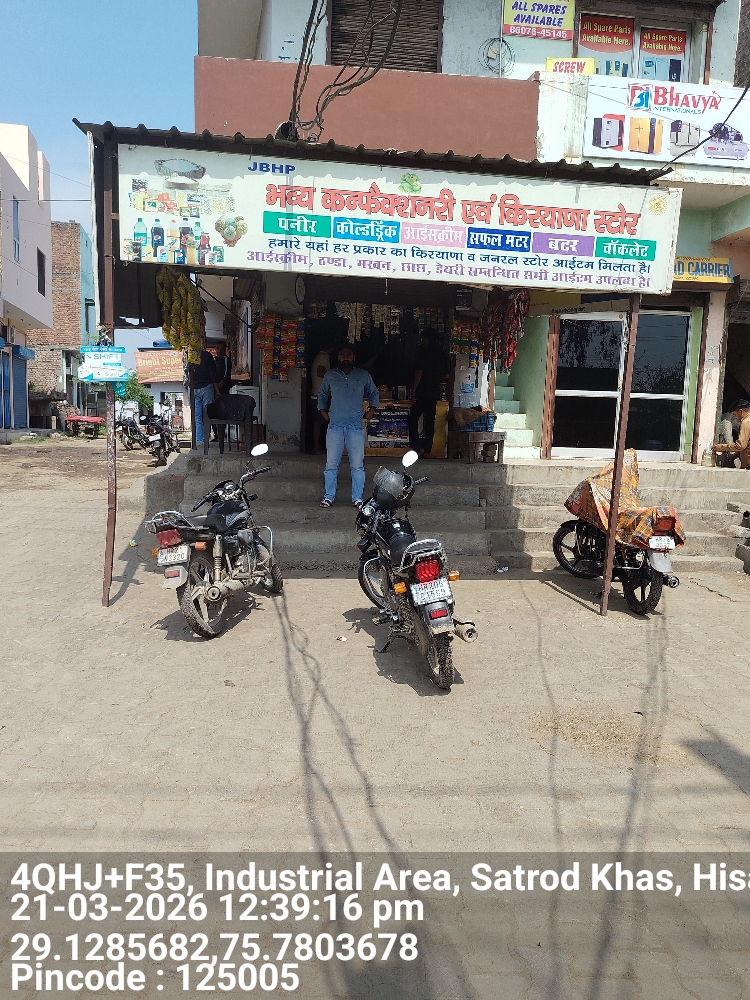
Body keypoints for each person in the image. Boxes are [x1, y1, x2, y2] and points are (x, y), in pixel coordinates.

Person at [317, 346, 379, 508]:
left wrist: (372, 410)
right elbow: (322, 393)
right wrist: (323, 411)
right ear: (338, 357)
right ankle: (328, 497)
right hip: (335, 426)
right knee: (331, 465)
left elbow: (374, 392)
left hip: (355, 426)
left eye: (349, 355)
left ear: (353, 357)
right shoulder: (330, 375)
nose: (346, 358)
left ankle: (357, 498)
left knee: (357, 466)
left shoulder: (363, 375)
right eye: (342, 355)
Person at [409, 328, 447, 457]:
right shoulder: (441, 354)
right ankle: (427, 450)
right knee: (430, 420)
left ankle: (415, 448)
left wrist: (414, 392)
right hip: (434, 391)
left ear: (426, 339)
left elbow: (418, 372)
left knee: (413, 419)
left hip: (422, 391)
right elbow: (445, 376)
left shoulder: (423, 352)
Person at [190, 346, 220, 447]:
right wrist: (217, 390)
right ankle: (205, 438)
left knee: (197, 417)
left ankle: (199, 440)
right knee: (207, 415)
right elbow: (213, 375)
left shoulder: (189, 356)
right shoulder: (207, 356)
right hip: (207, 388)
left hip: (193, 388)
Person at [714, 399, 750, 468]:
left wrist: (722, 447)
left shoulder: (746, 422)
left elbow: (741, 446)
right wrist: (735, 455)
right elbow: (747, 444)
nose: (735, 417)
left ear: (741, 411)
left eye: (734, 414)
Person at [310, 344, 332, 455]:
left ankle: (318, 447)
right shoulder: (323, 357)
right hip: (319, 395)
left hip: (318, 394)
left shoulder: (320, 357)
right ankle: (316, 447)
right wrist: (333, 377)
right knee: (319, 422)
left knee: (320, 421)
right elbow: (320, 372)